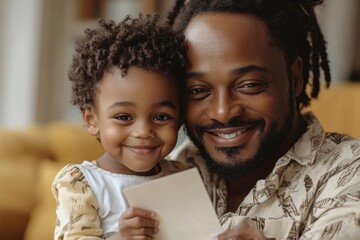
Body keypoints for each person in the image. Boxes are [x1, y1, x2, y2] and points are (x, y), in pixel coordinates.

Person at [165, 0, 360, 239]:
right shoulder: (169, 170)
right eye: (197, 90)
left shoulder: (350, 174)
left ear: (295, 78)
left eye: (249, 85)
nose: (223, 112)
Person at [52, 13, 188, 239]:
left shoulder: (181, 175)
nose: (144, 131)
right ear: (92, 121)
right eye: (124, 117)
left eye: (162, 117)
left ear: (180, 118)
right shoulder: (82, 185)